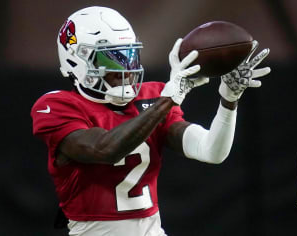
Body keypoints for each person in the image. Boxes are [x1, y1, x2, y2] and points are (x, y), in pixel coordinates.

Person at [31, 6, 270, 236]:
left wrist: (229, 101)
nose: (125, 69)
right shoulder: (58, 106)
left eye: (128, 56)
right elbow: (104, 149)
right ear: (76, 61)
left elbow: (211, 151)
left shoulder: (152, 98)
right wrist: (169, 99)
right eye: (111, 60)